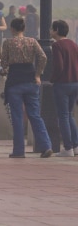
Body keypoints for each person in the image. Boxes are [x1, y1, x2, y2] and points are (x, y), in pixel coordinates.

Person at [0, 17, 52, 158]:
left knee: (17, 117)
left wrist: (4, 69)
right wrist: (38, 74)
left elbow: (3, 62)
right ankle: (46, 146)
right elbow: (43, 57)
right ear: (23, 29)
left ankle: (19, 150)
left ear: (12, 29)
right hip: (31, 81)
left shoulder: (8, 43)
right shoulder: (32, 41)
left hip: (14, 81)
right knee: (35, 115)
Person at [50, 20, 78, 156]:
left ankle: (68, 148)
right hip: (75, 83)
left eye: (51, 29)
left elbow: (59, 66)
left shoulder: (57, 46)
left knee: (63, 116)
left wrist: (52, 80)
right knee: (70, 115)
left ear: (56, 30)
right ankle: (76, 145)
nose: (50, 31)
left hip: (62, 84)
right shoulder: (74, 44)